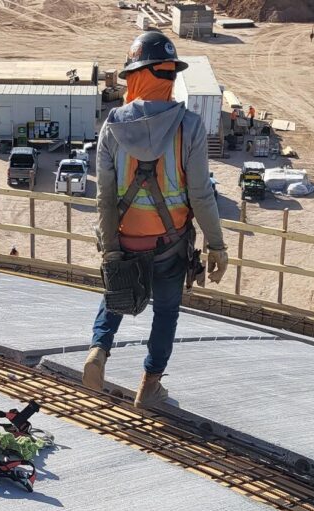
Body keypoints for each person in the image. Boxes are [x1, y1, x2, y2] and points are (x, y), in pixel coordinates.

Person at [82, 32, 228, 409]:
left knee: (116, 294)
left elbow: (104, 197)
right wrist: (217, 245)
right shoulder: (189, 126)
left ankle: (98, 351)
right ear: (164, 76)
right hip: (169, 243)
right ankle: (149, 384)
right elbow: (200, 194)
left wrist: (111, 248)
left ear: (133, 76)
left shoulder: (111, 127)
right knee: (165, 312)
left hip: (126, 238)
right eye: (167, 73)